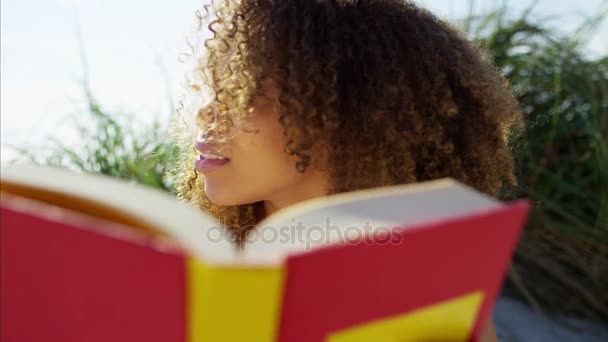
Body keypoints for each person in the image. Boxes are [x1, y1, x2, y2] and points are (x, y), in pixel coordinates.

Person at [170, 1, 523, 341]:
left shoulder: (429, 286)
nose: (207, 114)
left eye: (242, 93)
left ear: (345, 112)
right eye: (213, 88)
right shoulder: (188, 267)